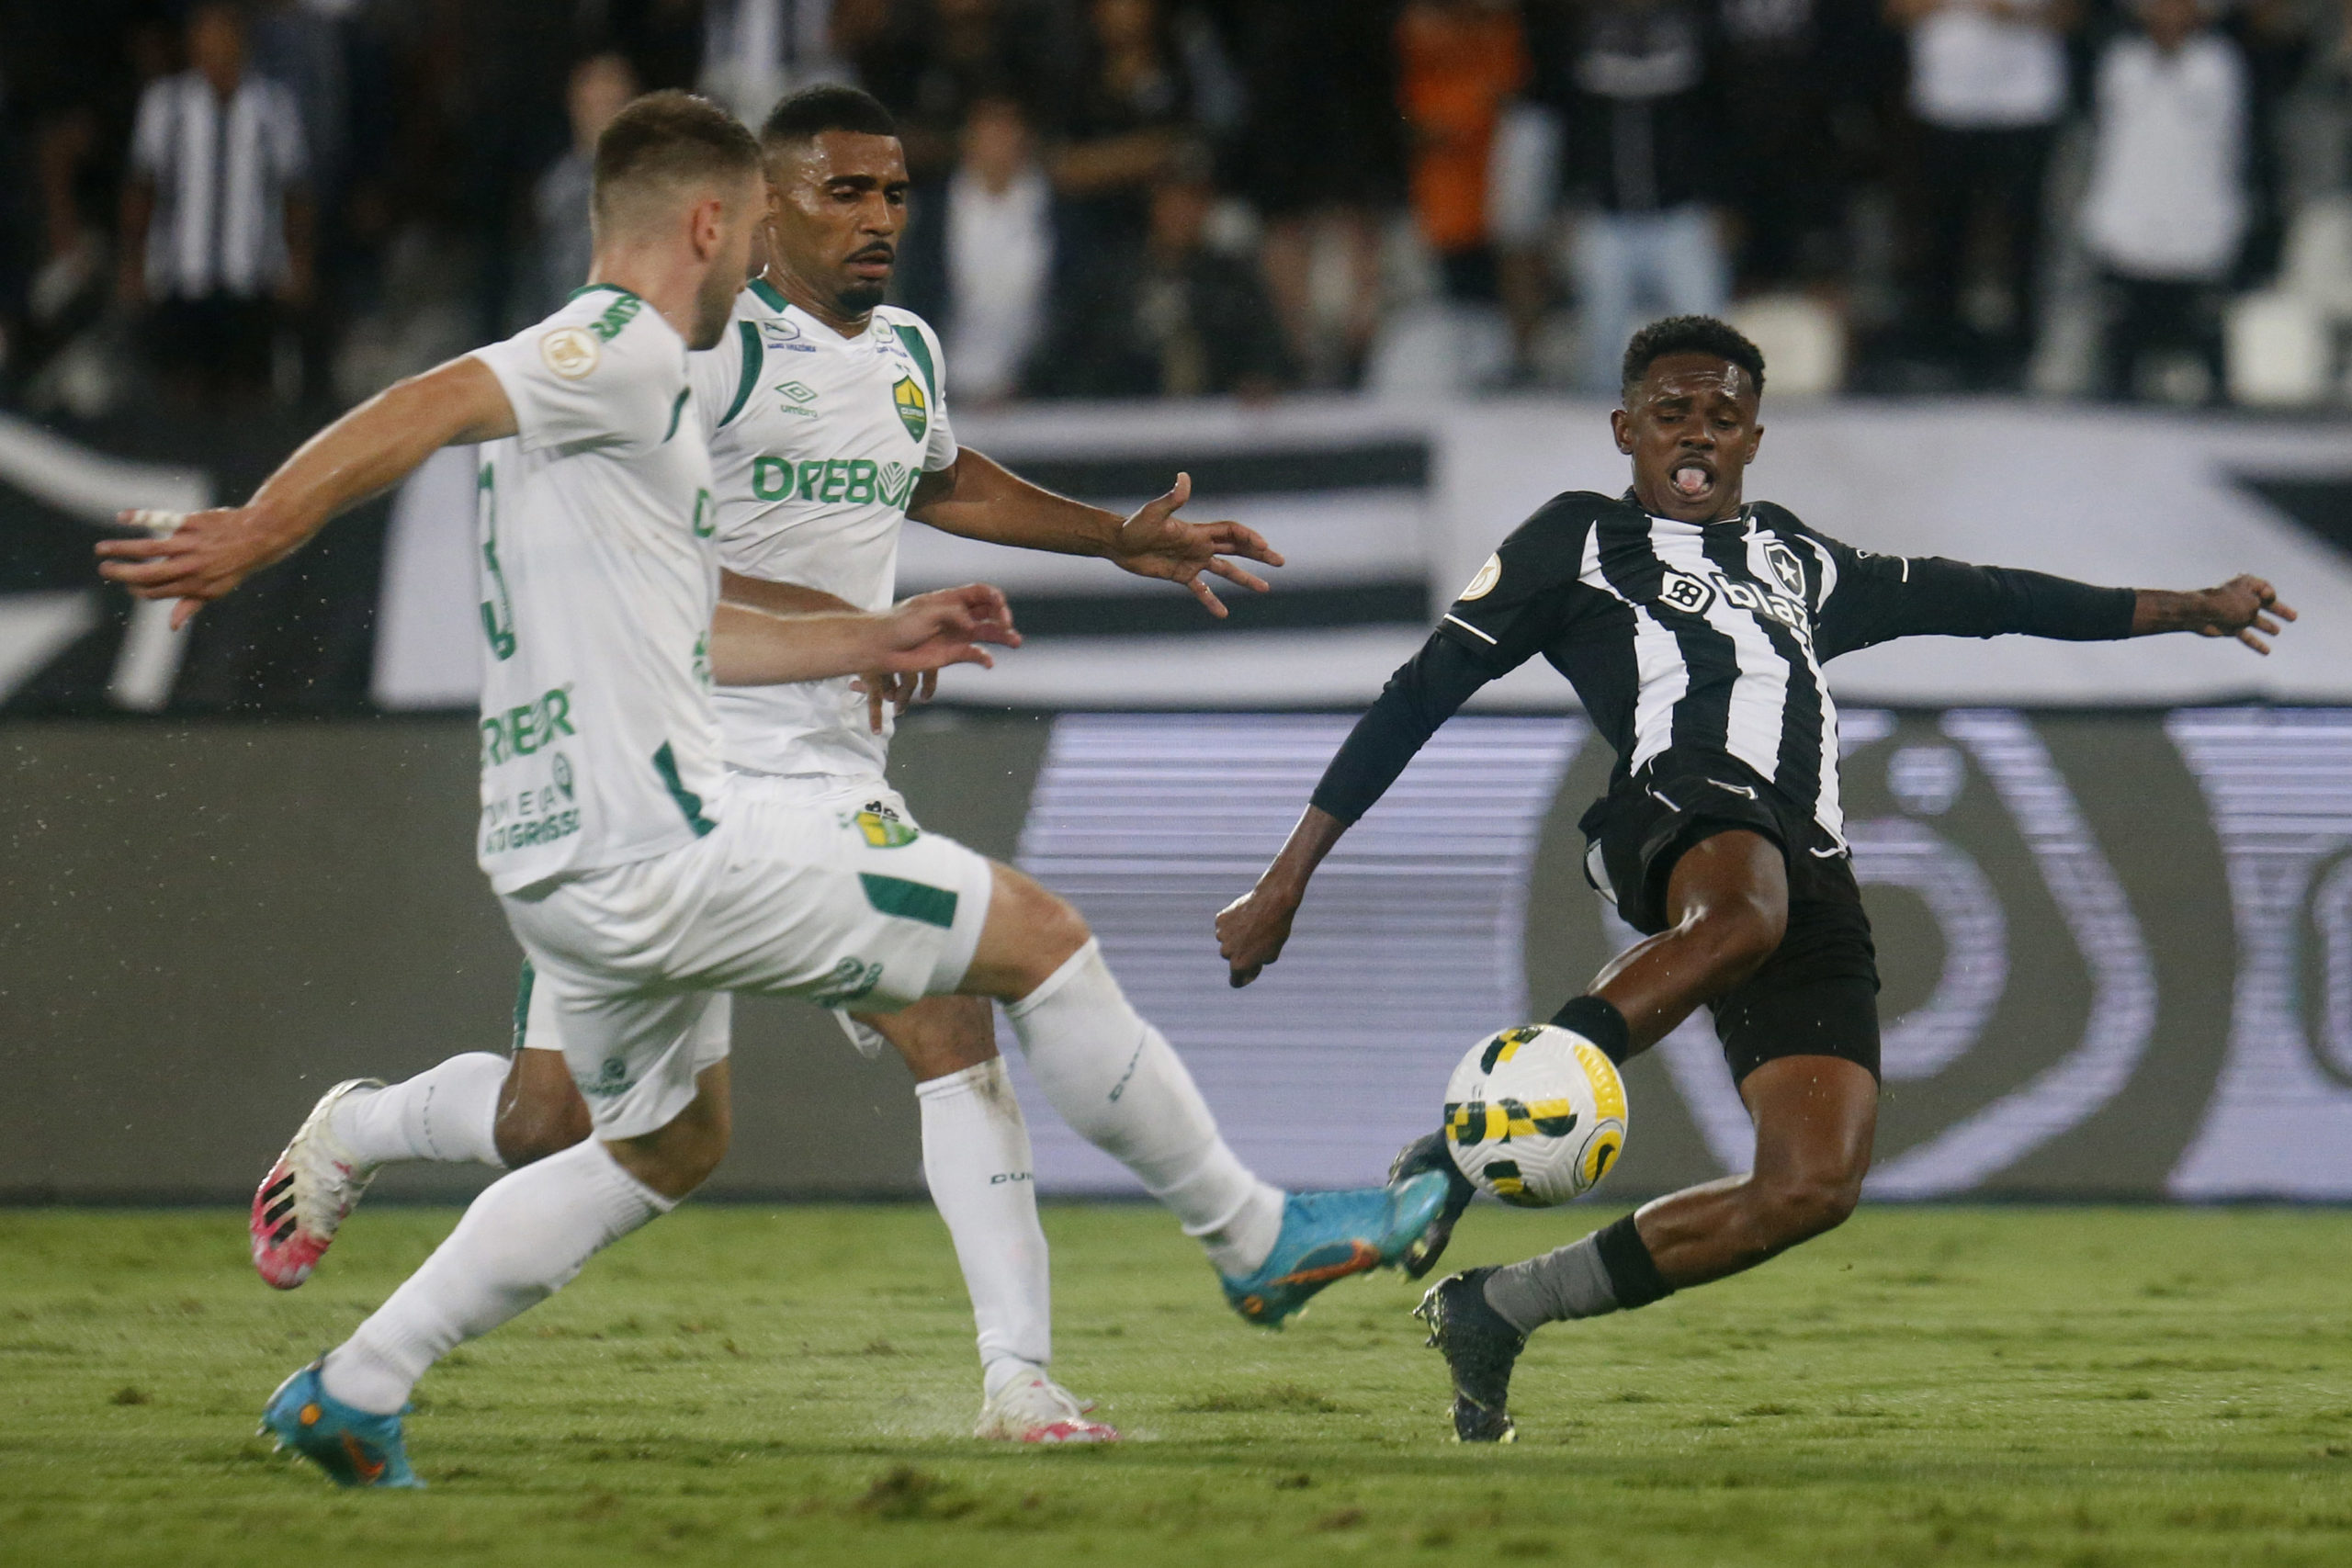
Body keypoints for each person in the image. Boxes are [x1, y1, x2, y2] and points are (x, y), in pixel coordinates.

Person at [99, 89, 1447, 1488]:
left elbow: (685, 579)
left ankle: (358, 1368)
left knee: (634, 1135)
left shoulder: (761, 379)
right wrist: (260, 527)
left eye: (893, 194)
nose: (868, 221)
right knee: (1019, 951)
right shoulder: (643, 348)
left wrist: (945, 601)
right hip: (701, 807)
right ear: (726, 216)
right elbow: (442, 397)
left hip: (575, 834)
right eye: (808, 200)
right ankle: (1242, 1242)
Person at [1214, 314, 2297, 1442]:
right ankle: (1458, 1146)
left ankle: (1498, 1308)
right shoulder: (1575, 540)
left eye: (1720, 417)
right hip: (1674, 800)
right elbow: (1417, 693)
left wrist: (2185, 609)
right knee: (1740, 911)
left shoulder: (1804, 562)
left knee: (1809, 1188)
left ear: (1752, 439)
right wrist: (1289, 875)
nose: (1696, 434)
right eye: (1672, 414)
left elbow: (1988, 598)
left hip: (1808, 859)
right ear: (1625, 430)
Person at [119, 0, 313, 405]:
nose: (215, 50)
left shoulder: (273, 106)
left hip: (252, 273)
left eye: (223, 38)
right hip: (180, 272)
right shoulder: (164, 105)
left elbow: (293, 190)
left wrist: (298, 261)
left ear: (241, 43)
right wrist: (133, 262)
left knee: (246, 387)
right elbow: (142, 187)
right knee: (182, 385)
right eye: (205, 39)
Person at [1885, 0, 2076, 387]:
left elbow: (2073, 16)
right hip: (1945, 100)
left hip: (2027, 103)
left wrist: (2019, 14)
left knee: (2023, 236)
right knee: (1941, 231)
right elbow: (1896, 12)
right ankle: (1936, 348)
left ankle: (2021, 353)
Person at [2079, 0, 2249, 403]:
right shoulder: (2121, 61)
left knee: (2203, 347)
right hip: (2128, 223)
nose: (2170, 14)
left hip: (2199, 226)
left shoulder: (2220, 65)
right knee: (2121, 357)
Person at [533, 54, 643, 319]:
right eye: (594, 96)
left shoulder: (651, 182)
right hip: (566, 324)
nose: (603, 104)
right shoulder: (555, 185)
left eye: (613, 98)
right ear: (575, 103)